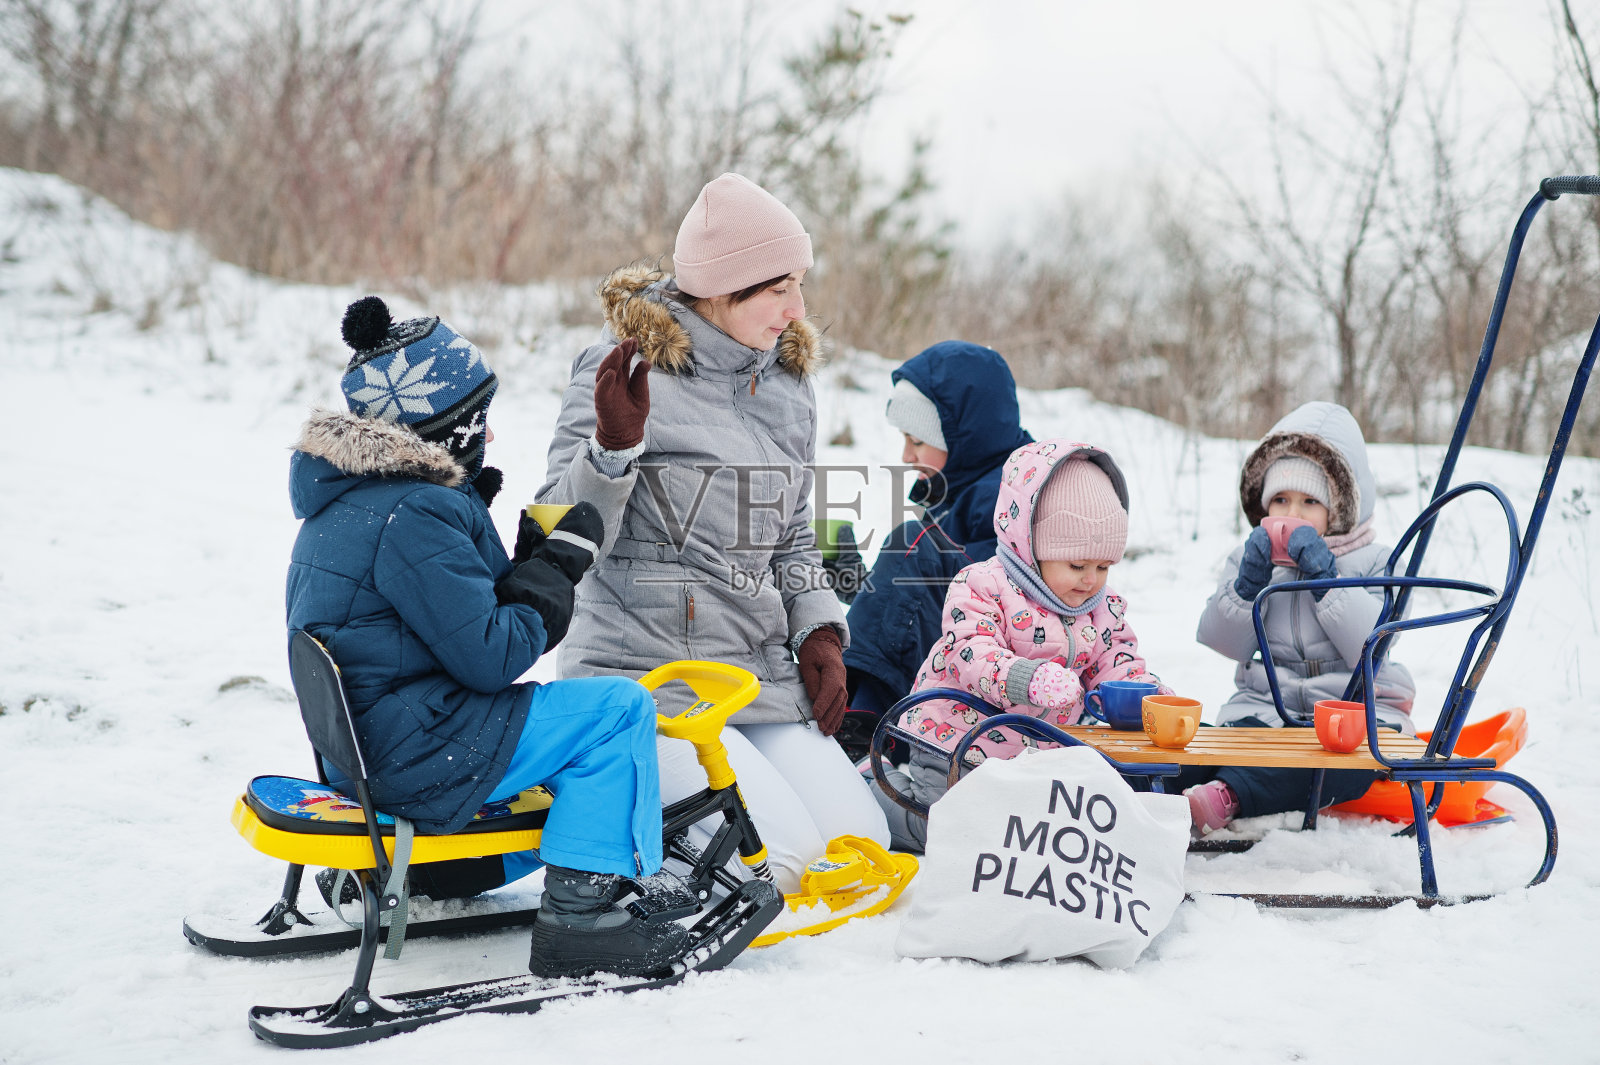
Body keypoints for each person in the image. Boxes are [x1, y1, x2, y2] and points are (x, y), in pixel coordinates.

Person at [285, 296, 690, 979]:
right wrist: (555, 570)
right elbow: (493, 657)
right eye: (482, 420)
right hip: (415, 751)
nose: (490, 438)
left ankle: (424, 877)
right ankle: (582, 920)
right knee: (617, 712)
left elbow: (440, 622)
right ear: (448, 426)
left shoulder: (348, 498)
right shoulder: (415, 510)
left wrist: (517, 558)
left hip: (368, 746)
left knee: (563, 770)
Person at [535, 172, 889, 892]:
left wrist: (818, 628)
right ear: (722, 289)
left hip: (750, 674)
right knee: (780, 862)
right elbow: (555, 534)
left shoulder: (787, 386)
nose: (797, 310)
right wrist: (610, 448)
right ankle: (622, 833)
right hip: (648, 679)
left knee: (863, 842)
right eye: (777, 288)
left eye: (799, 284)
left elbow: (789, 529)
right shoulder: (622, 370)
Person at [873, 440, 1168, 852]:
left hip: (1038, 757)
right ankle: (868, 789)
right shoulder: (981, 586)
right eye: (1077, 565)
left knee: (1028, 837)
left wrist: (1144, 694)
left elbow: (1116, 658)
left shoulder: (1101, 607)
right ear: (1031, 548)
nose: (1091, 580)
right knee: (947, 830)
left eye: (1103, 567)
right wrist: (1026, 678)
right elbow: (972, 650)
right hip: (955, 741)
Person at [1188, 400, 1416, 833]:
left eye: (1310, 501)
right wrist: (1246, 589)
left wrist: (1325, 582)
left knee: (1338, 764)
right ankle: (1164, 785)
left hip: (1357, 716)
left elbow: (1374, 646)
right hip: (1264, 709)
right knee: (1212, 744)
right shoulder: (1250, 558)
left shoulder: (1377, 561)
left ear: (1341, 506)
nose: (1291, 515)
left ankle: (1229, 795)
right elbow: (1222, 642)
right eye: (1280, 500)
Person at [835, 341, 1032, 759]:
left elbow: (987, 590)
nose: (907, 456)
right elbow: (920, 600)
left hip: (996, 666)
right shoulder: (964, 489)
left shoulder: (1008, 496)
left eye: (918, 441)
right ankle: (858, 705)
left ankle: (864, 714)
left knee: (911, 541)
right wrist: (864, 581)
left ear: (963, 435)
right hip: (956, 653)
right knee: (912, 546)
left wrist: (906, 559)